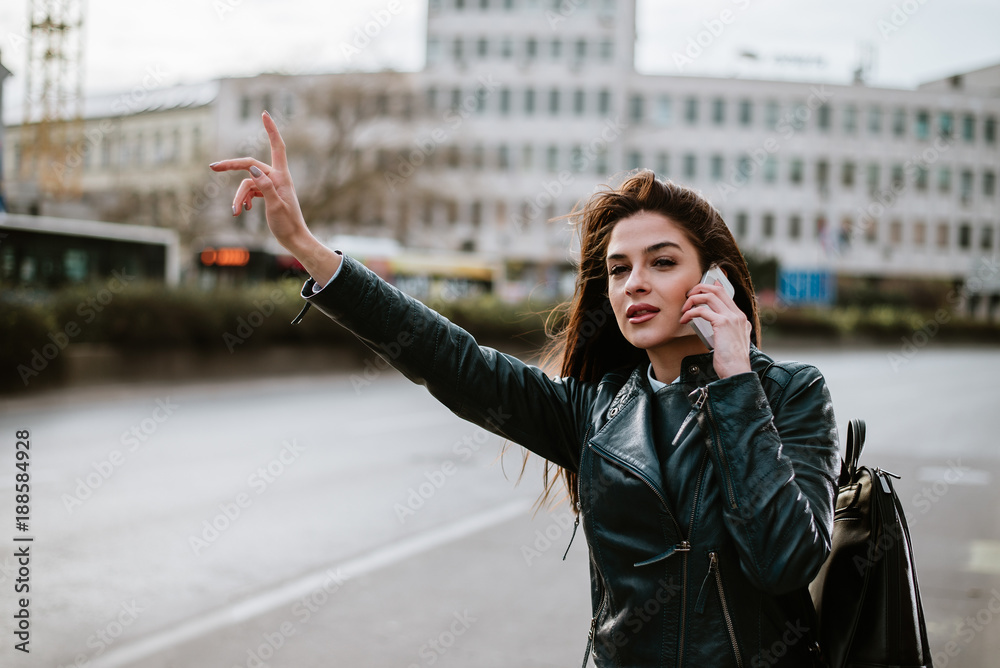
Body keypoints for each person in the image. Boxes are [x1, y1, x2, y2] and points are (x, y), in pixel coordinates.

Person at [211, 112, 841, 668]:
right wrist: (306, 247)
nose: (633, 284)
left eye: (663, 261)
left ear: (717, 279)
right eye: (619, 269)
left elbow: (783, 560)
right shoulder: (597, 407)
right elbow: (451, 359)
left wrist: (736, 380)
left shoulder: (789, 395)